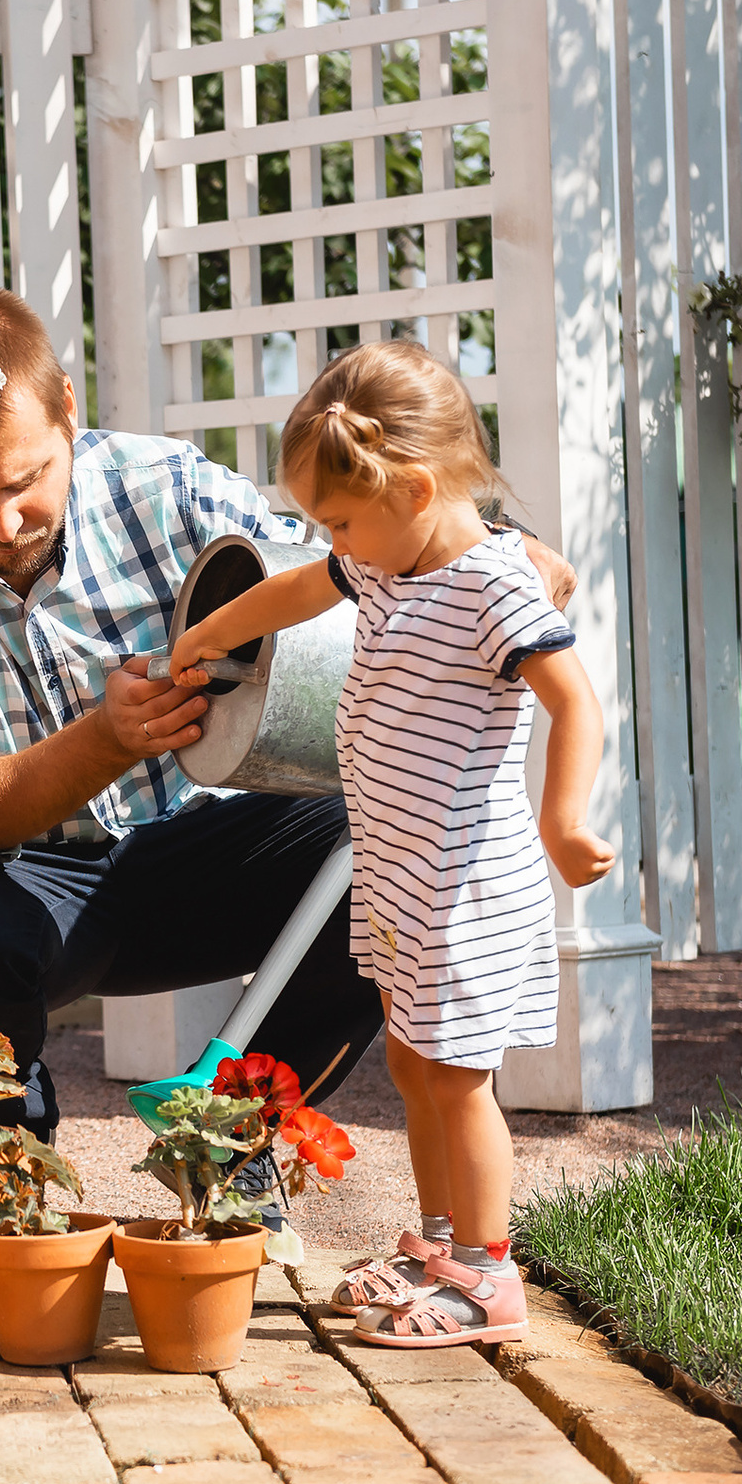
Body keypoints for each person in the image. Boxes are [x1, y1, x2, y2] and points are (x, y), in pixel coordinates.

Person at [0, 283, 578, 1141]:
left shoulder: (164, 485)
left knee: (395, 847)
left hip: (209, 847)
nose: (2, 519)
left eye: (26, 480)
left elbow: (361, 548)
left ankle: (234, 1142)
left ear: (67, 409)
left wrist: (490, 548)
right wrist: (107, 738)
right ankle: (9, 1177)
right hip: (24, 884)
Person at [160, 339, 612, 1346]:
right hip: (400, 872)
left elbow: (574, 702)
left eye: (340, 517)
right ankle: (440, 1246)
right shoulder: (383, 561)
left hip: (463, 882)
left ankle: (490, 1277)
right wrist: (206, 637)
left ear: (413, 487)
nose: (334, 539)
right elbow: (293, 590)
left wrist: (562, 819)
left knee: (457, 1081)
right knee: (413, 1067)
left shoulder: (494, 584)